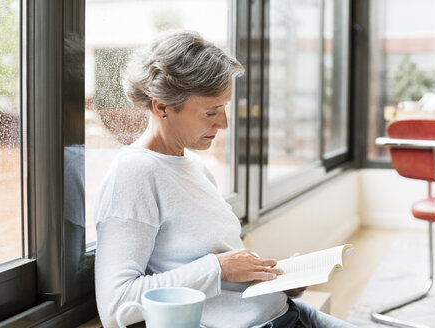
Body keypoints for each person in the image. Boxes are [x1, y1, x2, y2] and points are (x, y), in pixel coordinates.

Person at [94, 30, 356, 328]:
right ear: (162, 107)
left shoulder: (194, 166)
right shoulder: (134, 175)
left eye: (224, 108)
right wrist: (218, 269)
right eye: (211, 112)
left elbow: (219, 267)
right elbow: (116, 306)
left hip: (289, 312)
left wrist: (273, 277)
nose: (224, 123)